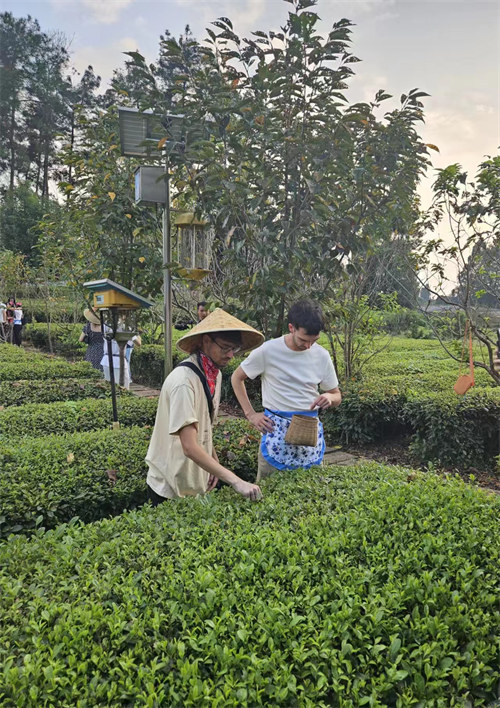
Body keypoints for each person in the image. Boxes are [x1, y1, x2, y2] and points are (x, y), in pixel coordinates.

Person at [145, 308, 264, 503]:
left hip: (193, 480)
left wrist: (213, 462)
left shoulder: (214, 374)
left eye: (234, 349)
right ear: (206, 341)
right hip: (169, 486)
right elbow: (189, 446)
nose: (230, 355)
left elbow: (205, 426)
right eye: (225, 348)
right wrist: (236, 481)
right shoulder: (184, 382)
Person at [231, 300, 341, 480]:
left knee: (311, 493)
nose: (308, 346)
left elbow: (337, 395)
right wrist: (251, 414)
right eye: (304, 340)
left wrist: (329, 397)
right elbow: (236, 377)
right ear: (291, 327)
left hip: (309, 433)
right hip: (276, 432)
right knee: (269, 491)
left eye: (314, 341)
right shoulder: (268, 350)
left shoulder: (321, 355)